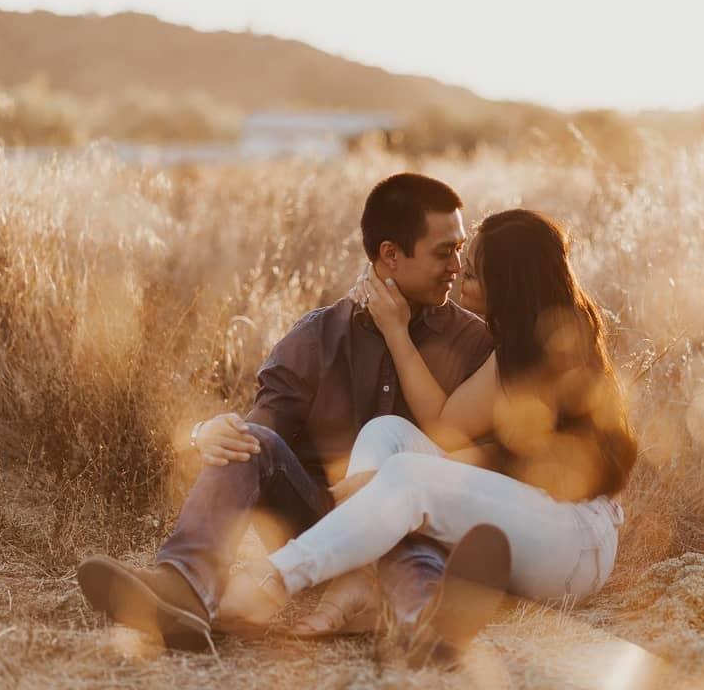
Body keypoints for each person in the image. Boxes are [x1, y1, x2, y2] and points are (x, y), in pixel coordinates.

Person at [77, 173, 497, 656]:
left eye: (459, 249)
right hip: (320, 519)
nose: (457, 266)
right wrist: (215, 433)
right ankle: (185, 588)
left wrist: (393, 485)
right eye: (444, 252)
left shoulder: (473, 343)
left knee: (410, 521)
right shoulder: (319, 337)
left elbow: (485, 462)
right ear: (390, 255)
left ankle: (426, 626)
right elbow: (265, 428)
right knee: (248, 439)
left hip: (412, 524)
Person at [233, 209, 637, 656]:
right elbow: (446, 426)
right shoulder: (517, 345)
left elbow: (541, 470)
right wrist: (396, 330)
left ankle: (271, 581)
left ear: (508, 284)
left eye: (475, 273)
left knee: (409, 475)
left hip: (577, 544)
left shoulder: (558, 350)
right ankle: (375, 592)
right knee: (387, 433)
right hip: (537, 522)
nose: (460, 272)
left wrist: (390, 481)